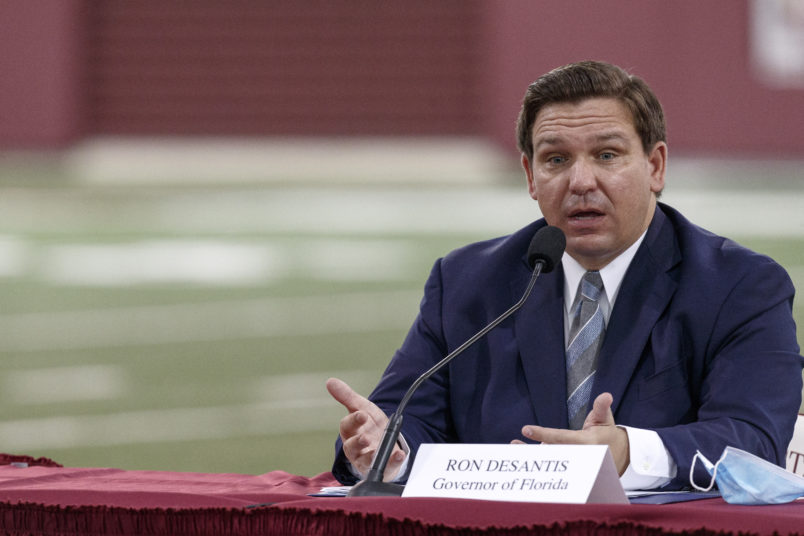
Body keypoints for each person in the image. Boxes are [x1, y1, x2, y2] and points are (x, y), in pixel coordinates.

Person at [326, 60, 803, 490]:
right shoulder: (466, 282)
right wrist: (386, 449)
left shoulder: (739, 285)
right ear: (531, 176)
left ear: (655, 166)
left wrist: (625, 452)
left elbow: (754, 440)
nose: (580, 182)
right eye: (556, 160)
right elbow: (404, 422)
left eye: (607, 155)